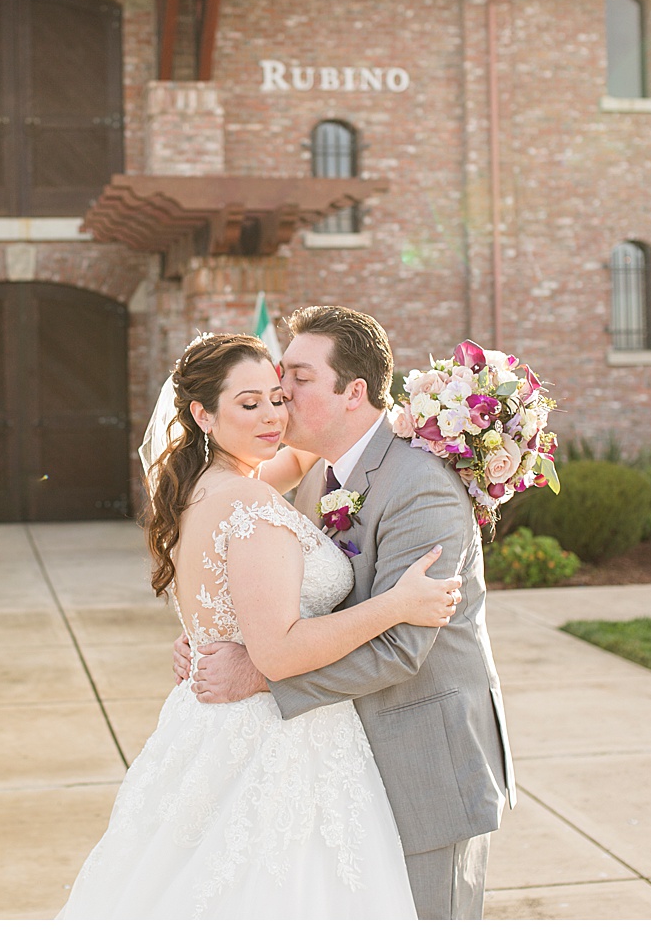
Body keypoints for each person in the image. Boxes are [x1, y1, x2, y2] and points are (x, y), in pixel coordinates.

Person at [58, 332, 459, 918]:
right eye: (249, 404)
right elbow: (278, 653)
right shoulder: (251, 506)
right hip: (277, 741)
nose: (273, 416)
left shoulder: (205, 488)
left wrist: (417, 412)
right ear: (202, 413)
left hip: (212, 725)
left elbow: (305, 450)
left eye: (278, 397)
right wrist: (396, 605)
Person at [177, 306, 515, 920]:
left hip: (423, 757)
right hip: (341, 759)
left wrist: (257, 671)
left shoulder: (421, 482)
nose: (281, 392)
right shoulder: (312, 479)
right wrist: (217, 635)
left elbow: (406, 648)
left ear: (353, 391)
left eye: (298, 378)